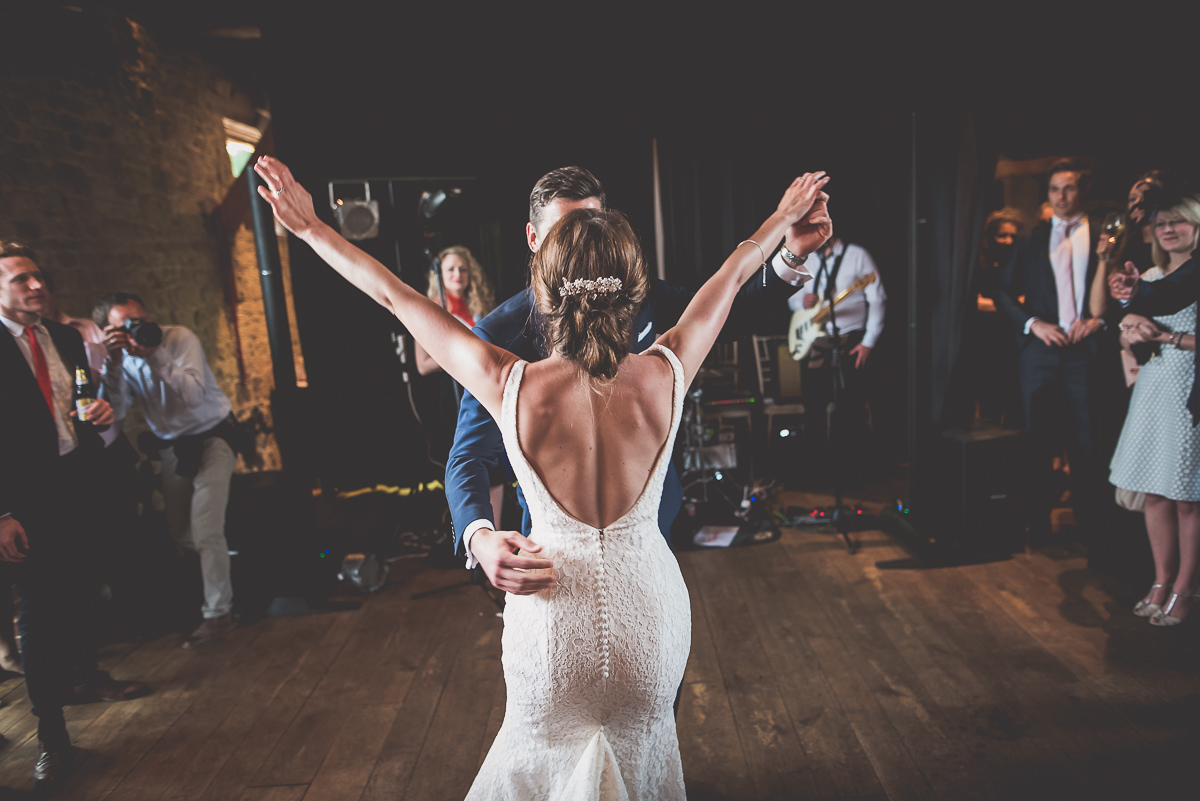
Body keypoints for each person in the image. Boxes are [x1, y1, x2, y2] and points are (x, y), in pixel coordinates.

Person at [254, 154, 830, 800]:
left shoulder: (510, 381)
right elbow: (735, 270)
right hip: (653, 615)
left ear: (546, 281)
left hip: (555, 619)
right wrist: (783, 216)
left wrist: (308, 229)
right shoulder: (667, 369)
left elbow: (395, 295)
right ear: (629, 280)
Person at [448, 166, 816, 595]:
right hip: (555, 552)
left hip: (653, 524)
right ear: (533, 239)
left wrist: (790, 257)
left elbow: (729, 306)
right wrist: (480, 535)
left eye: (593, 229)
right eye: (565, 231)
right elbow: (469, 455)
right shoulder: (499, 334)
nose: (584, 246)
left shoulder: (641, 298)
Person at [1, 243, 149, 790]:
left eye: (38, 276)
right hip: (26, 502)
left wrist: (99, 414)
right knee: (38, 615)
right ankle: (52, 737)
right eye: (21, 279)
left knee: (83, 592)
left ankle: (84, 677)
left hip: (78, 487)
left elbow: (77, 406)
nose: (36, 286)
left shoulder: (62, 337)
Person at [96, 290, 239, 648]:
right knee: (181, 533)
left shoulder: (177, 339)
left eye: (141, 321)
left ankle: (219, 614)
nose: (137, 329)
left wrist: (155, 354)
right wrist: (112, 366)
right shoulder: (118, 359)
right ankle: (226, 564)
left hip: (213, 437)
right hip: (172, 447)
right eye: (126, 326)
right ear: (108, 332)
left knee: (206, 530)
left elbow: (192, 396)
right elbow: (115, 411)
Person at [996, 159, 1104, 535]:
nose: (1060, 196)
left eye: (1069, 188)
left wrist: (1100, 320)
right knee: (1036, 440)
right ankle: (1036, 524)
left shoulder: (1106, 233)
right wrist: (1033, 324)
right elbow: (1003, 292)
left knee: (1089, 441)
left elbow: (1128, 287)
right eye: (1054, 189)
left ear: (1084, 190)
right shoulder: (1031, 239)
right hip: (1041, 352)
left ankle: (1094, 529)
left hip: (1089, 352)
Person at [1109, 193, 1200, 626]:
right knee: (1154, 491)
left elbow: (1164, 328)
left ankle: (1185, 588)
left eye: (1179, 222)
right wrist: (1130, 323)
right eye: (1162, 223)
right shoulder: (1151, 275)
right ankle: (1160, 581)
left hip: (1190, 388)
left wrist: (1164, 337)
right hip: (1154, 387)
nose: (1168, 229)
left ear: (1196, 226)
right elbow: (1126, 328)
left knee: (1187, 496)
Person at [787, 236, 886, 457]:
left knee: (850, 405)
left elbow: (877, 299)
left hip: (850, 339)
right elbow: (792, 298)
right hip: (816, 339)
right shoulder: (808, 258)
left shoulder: (857, 256)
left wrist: (868, 343)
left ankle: (850, 462)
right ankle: (819, 463)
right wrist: (800, 301)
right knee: (813, 404)